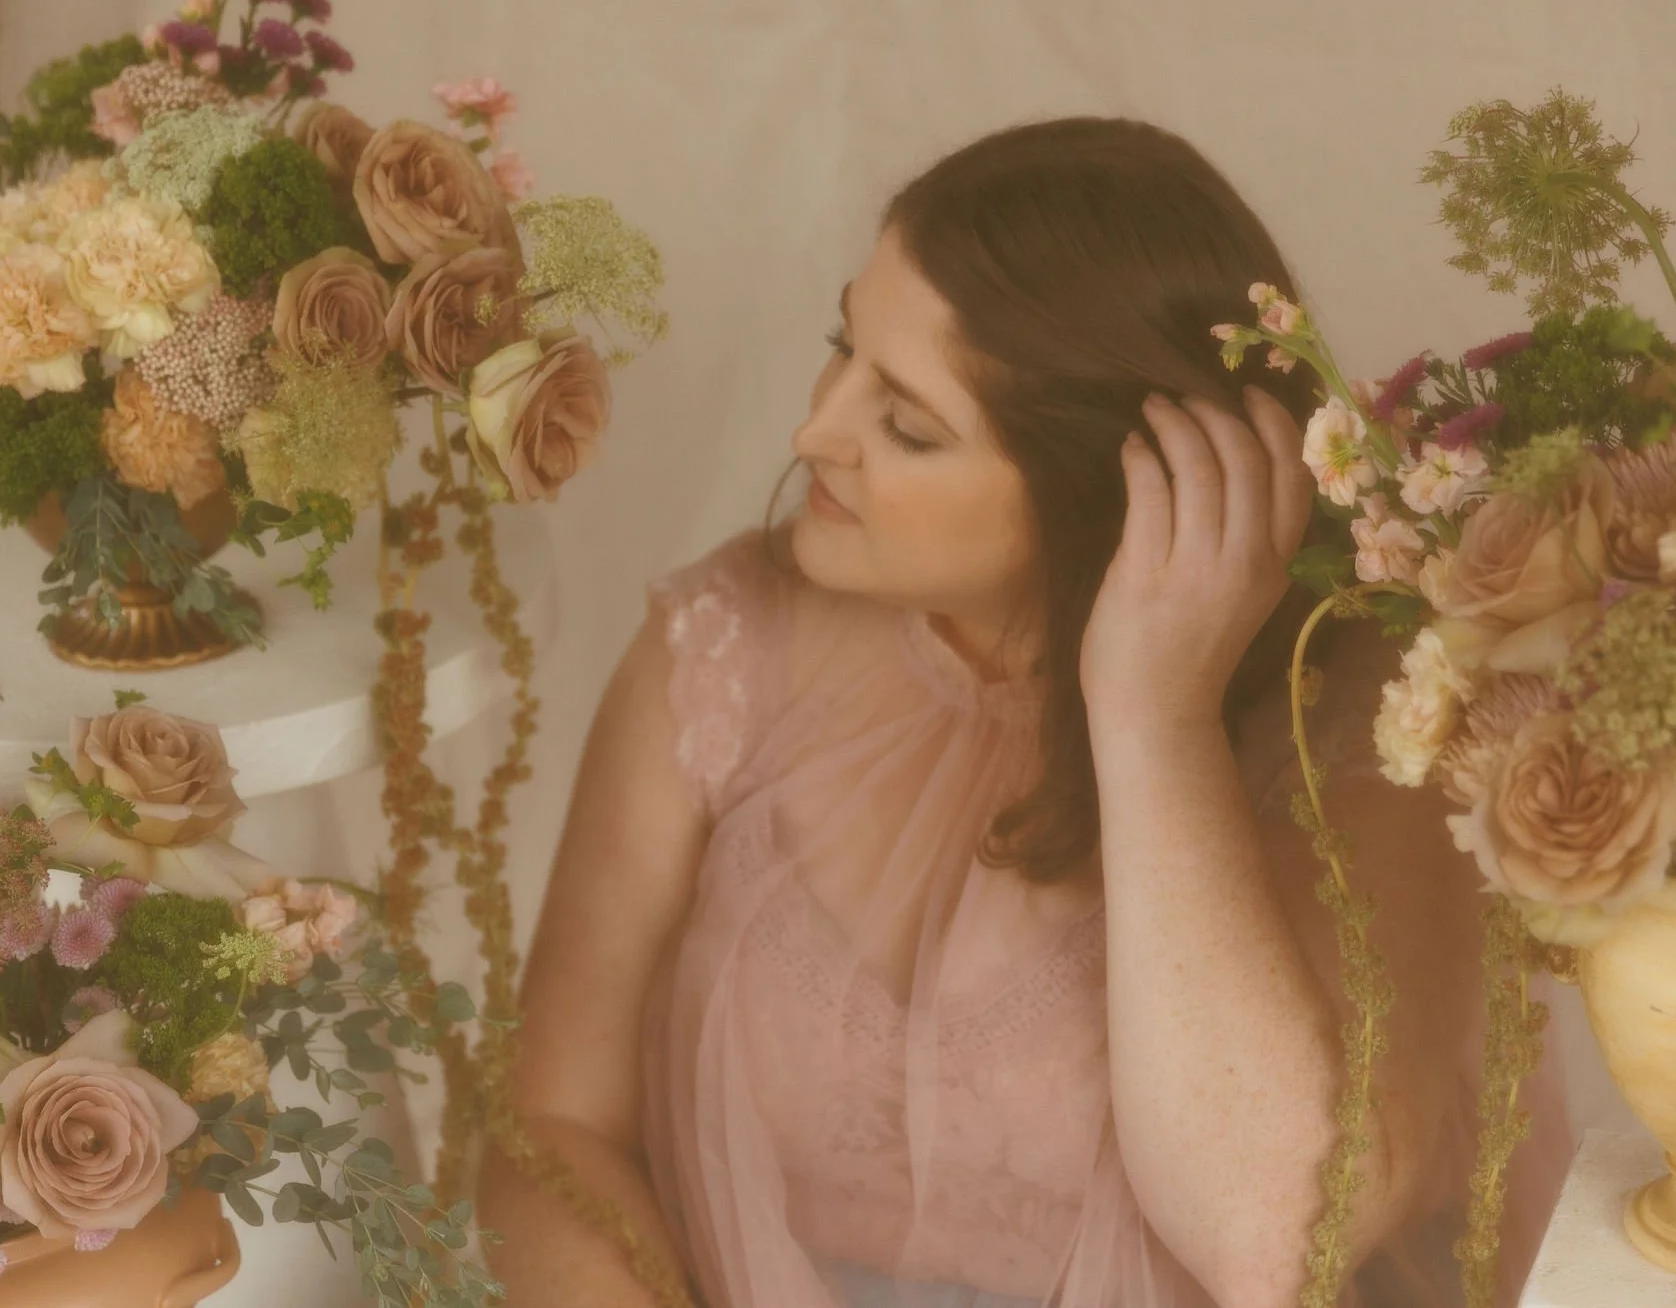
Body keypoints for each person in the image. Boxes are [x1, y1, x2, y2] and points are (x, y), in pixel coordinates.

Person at [477, 117, 1571, 1308]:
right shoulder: (721, 646)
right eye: (843, 347)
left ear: (1098, 492)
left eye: (906, 425)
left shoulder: (1368, 714)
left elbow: (1277, 1239)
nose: (812, 435)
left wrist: (1154, 716)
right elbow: (553, 1127)